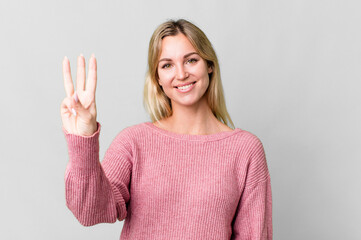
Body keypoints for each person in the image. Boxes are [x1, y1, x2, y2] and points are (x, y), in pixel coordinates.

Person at [61, 19, 272, 240]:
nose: (181, 74)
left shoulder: (245, 149)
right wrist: (83, 139)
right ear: (158, 78)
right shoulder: (134, 142)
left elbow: (254, 235)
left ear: (209, 65)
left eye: (191, 60)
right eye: (167, 65)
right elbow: (90, 211)